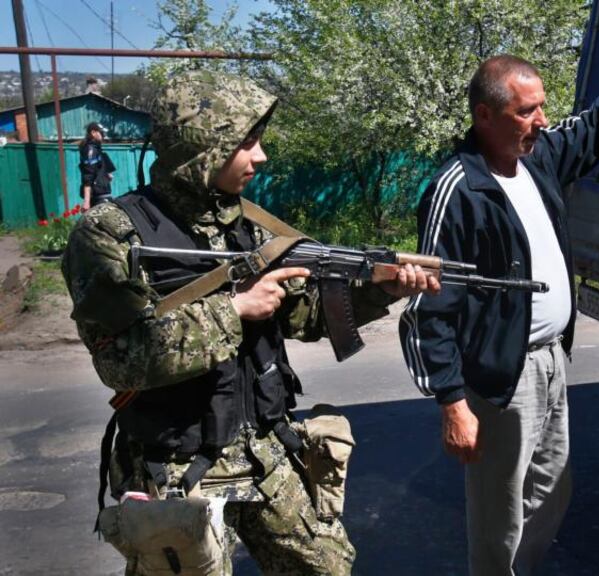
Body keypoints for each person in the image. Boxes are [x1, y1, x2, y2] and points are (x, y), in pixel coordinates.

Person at [62, 71, 439, 575]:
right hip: (174, 465)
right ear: (201, 147)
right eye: (245, 142)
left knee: (327, 567)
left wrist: (381, 290)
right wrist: (234, 309)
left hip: (265, 452)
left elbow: (305, 316)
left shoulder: (252, 227)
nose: (260, 157)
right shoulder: (110, 234)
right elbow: (119, 360)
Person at [399, 40, 599, 575]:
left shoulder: (537, 158)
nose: (542, 120)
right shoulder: (457, 189)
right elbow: (430, 305)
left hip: (552, 360)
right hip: (503, 375)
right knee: (500, 512)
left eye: (541, 107)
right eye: (526, 111)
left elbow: (593, 127)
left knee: (553, 490)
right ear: (485, 115)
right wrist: (452, 402)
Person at [79, 121, 116, 209]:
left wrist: (106, 176)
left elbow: (107, 174)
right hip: (98, 198)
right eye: (101, 133)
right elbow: (88, 176)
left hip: (104, 195)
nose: (103, 136)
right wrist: (86, 201)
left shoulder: (98, 150)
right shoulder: (90, 150)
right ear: (93, 133)